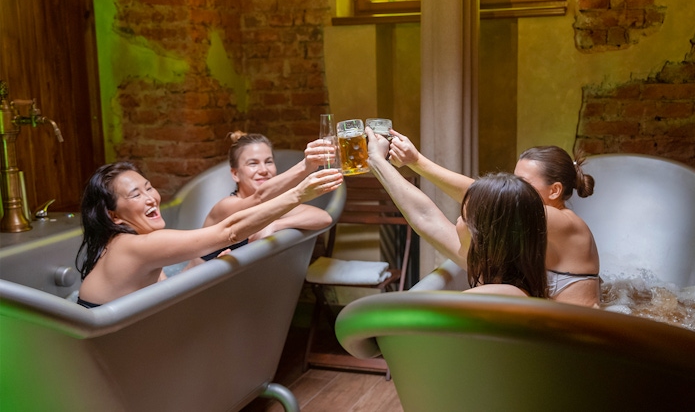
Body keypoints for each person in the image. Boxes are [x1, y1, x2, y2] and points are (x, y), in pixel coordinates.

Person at [75, 161, 343, 307]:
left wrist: (201, 271)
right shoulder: (137, 245)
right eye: (136, 195)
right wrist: (298, 194)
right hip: (99, 345)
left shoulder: (128, 244)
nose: (151, 199)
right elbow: (228, 231)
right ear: (114, 215)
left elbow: (159, 294)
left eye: (149, 187)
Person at [384, 129, 599, 307]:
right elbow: (426, 219)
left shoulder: (569, 225)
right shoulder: (524, 237)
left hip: (578, 341)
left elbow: (488, 199)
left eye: (524, 182)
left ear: (555, 191)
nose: (515, 188)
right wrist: (378, 162)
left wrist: (417, 161)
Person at [366, 128, 548, 298]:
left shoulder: (497, 295)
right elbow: (425, 216)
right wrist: (378, 162)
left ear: (484, 236)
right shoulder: (504, 269)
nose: (458, 222)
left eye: (465, 218)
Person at [187, 131, 335, 265]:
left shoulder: (272, 207)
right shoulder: (226, 207)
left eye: (269, 162)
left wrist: (275, 224)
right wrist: (306, 166)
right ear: (235, 174)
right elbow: (259, 197)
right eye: (253, 164)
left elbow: (324, 218)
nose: (264, 170)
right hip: (188, 288)